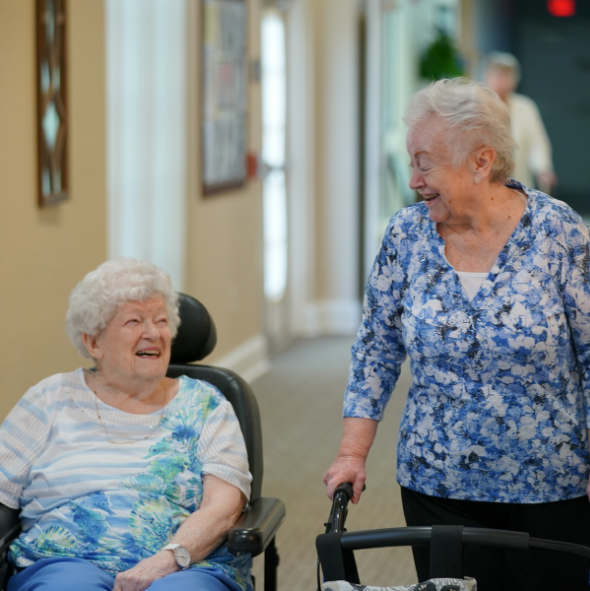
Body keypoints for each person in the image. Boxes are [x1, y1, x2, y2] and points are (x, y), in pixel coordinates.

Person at [323, 78, 590, 591]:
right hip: (437, 478)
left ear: (480, 161)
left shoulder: (559, 231)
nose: (413, 178)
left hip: (551, 480)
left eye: (424, 162)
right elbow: (376, 349)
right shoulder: (406, 235)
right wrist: (351, 455)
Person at [0, 258, 252, 591]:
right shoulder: (50, 398)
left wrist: (168, 559)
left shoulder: (205, 403)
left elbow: (224, 507)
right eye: (134, 321)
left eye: (160, 320)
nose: (153, 333)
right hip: (64, 563)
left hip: (185, 567)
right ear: (94, 342)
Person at [484, 51, 556, 194]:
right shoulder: (478, 106)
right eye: (496, 74)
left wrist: (543, 169)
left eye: (505, 75)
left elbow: (537, 143)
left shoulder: (525, 106)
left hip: (519, 184)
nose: (500, 80)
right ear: (486, 76)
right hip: (487, 184)